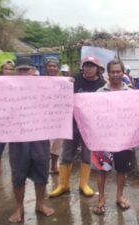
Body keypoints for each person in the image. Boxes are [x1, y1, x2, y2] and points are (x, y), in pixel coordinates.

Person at [48, 56, 106, 198]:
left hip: (90, 126)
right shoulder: (74, 79)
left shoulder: (103, 84)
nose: (88, 68)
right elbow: (60, 94)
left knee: (86, 155)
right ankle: (63, 185)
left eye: (91, 66)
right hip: (72, 123)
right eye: (86, 65)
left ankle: (83, 184)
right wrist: (65, 84)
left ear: (97, 69)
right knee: (67, 153)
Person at [8, 57, 54, 223]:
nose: (23, 73)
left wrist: (66, 83)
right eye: (20, 70)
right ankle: (19, 207)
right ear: (15, 71)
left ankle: (40, 204)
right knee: (18, 174)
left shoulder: (45, 86)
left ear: (34, 71)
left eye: (26, 69)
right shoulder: (6, 87)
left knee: (42, 170)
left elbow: (59, 98)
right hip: (17, 139)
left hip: (40, 136)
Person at [92, 59, 132, 215]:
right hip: (103, 139)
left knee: (121, 170)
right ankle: (101, 198)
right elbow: (93, 114)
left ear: (123, 73)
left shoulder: (130, 93)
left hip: (123, 139)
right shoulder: (100, 93)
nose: (115, 74)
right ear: (108, 73)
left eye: (118, 71)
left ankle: (119, 196)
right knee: (102, 170)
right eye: (113, 71)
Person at [0, 60, 15, 176]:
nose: (9, 71)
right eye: (6, 69)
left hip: (14, 118)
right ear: (2, 70)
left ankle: (14, 167)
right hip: (0, 117)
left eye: (11, 69)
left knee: (14, 145)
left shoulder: (18, 82)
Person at [44, 56, 64, 174]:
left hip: (60, 119)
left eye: (54, 66)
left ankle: (53, 166)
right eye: (50, 66)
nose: (52, 68)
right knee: (46, 145)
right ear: (46, 67)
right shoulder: (38, 82)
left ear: (58, 68)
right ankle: (44, 168)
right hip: (45, 120)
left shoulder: (64, 82)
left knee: (57, 145)